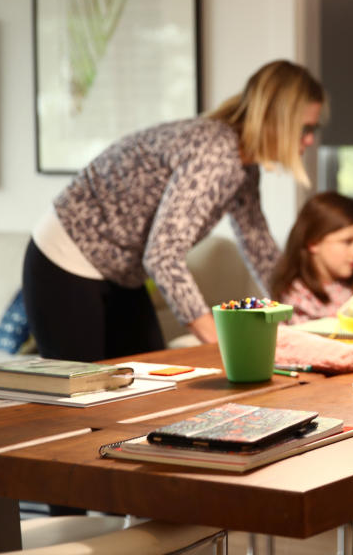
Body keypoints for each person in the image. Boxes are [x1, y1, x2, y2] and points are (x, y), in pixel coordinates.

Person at [22, 59, 325, 362]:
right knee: (79, 395)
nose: (310, 140)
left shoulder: (245, 167)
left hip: (123, 273)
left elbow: (257, 244)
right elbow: (163, 255)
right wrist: (214, 335)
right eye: (305, 128)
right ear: (275, 119)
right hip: (65, 259)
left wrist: (300, 316)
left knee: (144, 383)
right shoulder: (214, 154)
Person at [270, 191, 353, 324]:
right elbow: (316, 340)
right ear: (313, 242)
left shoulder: (350, 287)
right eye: (347, 242)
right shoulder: (296, 296)